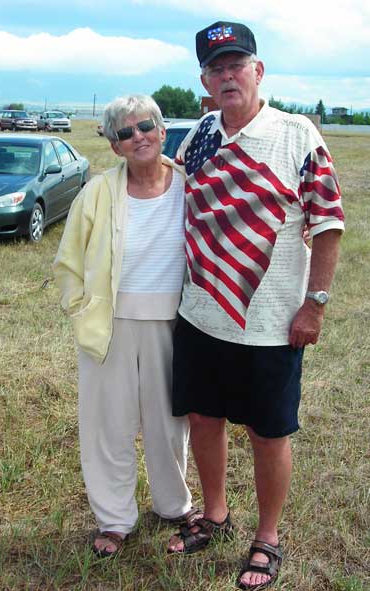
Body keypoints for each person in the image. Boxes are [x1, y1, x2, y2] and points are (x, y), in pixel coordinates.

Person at [166, 21, 344, 590]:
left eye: (237, 64)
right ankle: (215, 514)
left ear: (258, 71)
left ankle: (267, 538)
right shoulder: (197, 137)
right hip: (199, 313)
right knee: (203, 417)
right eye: (217, 67)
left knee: (269, 433)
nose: (228, 75)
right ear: (204, 80)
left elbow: (329, 224)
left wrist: (314, 304)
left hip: (270, 326)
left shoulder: (297, 134)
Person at [53, 95, 199, 558]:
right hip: (109, 325)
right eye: (125, 133)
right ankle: (114, 520)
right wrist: (80, 310)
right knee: (107, 425)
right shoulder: (97, 191)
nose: (138, 137)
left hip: (173, 324)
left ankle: (174, 505)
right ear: (114, 146)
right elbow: (69, 260)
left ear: (161, 130)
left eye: (146, 126)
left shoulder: (188, 185)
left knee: (168, 423)